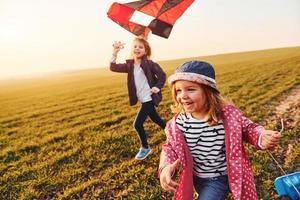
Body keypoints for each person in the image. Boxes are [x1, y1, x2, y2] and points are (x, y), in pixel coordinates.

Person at [158, 60, 282, 200]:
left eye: (191, 89)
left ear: (208, 92)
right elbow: (170, 148)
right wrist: (166, 167)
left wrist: (261, 136)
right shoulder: (178, 124)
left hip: (231, 173)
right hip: (201, 178)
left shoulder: (227, 116)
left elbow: (248, 128)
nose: (183, 96)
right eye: (178, 90)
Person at [110, 37, 166, 160]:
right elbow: (113, 67)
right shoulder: (130, 66)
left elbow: (162, 76)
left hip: (149, 98)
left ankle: (145, 148)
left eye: (141, 47)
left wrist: (157, 87)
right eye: (135, 46)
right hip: (142, 98)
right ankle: (174, 132)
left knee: (137, 124)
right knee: (157, 119)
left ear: (145, 51)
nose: (137, 49)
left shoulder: (150, 64)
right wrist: (115, 52)